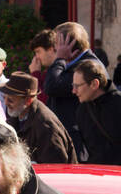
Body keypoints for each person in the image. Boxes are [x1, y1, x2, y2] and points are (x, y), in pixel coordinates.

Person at [41, 22, 101, 155]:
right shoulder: (73, 64)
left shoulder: (88, 66)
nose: (55, 48)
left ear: (69, 44)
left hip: (80, 142)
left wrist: (60, 58)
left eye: (57, 43)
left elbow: (52, 86)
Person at [2, 72, 77, 164]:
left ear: (28, 100)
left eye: (10, 100)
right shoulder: (16, 116)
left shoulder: (46, 127)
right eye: (4, 98)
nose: (5, 103)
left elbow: (55, 169)